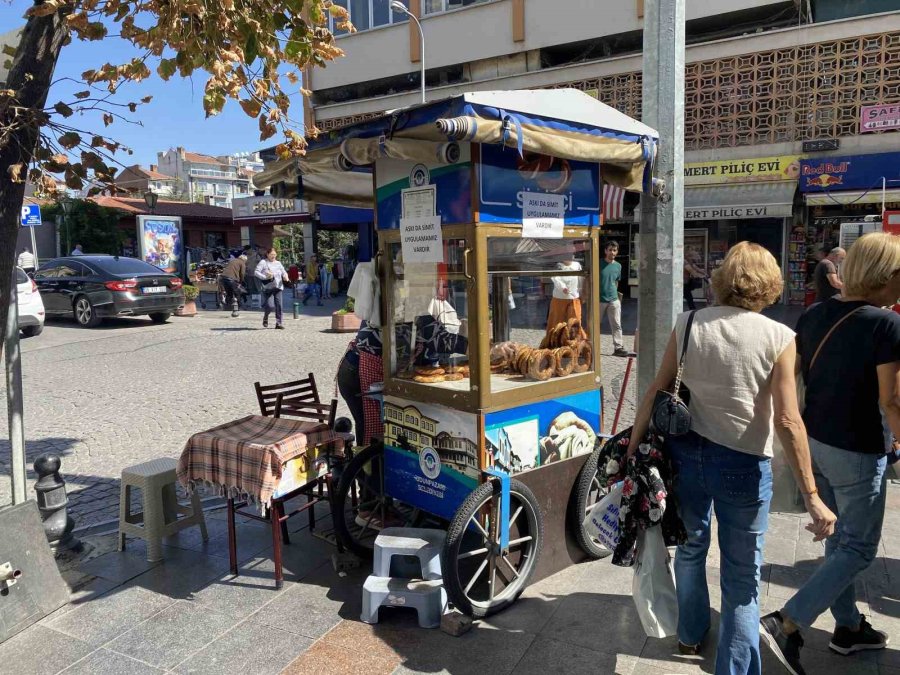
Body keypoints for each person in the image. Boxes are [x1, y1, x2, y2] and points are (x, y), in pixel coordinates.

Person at [628, 242, 835, 675]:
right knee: (742, 579)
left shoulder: (688, 323)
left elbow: (657, 389)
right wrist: (811, 494)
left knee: (691, 547)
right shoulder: (779, 337)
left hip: (686, 455)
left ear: (723, 280)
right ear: (770, 283)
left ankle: (690, 633)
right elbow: (788, 420)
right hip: (744, 463)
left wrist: (632, 446)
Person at [761, 232, 900, 675]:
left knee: (839, 540)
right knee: (859, 547)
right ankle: (787, 622)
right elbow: (891, 400)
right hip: (858, 448)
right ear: (885, 275)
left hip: (815, 441)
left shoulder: (815, 313)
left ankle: (848, 626)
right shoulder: (886, 324)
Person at [599, 241, 634, 357]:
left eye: (614, 250)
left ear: (617, 252)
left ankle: (618, 347)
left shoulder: (618, 266)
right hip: (599, 299)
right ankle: (589, 346)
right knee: (594, 324)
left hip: (613, 299)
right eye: (610, 250)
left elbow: (616, 282)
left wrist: (617, 298)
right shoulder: (598, 263)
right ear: (605, 251)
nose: (612, 252)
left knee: (617, 325)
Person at [546, 244, 587, 339]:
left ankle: (575, 341)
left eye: (571, 253)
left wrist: (582, 293)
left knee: (574, 321)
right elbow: (555, 278)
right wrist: (563, 287)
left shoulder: (577, 265)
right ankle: (554, 341)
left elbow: (580, 279)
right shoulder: (558, 266)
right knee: (557, 322)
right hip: (559, 298)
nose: (569, 256)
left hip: (574, 298)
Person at [255, 247, 290, 329]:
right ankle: (265, 317)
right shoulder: (263, 262)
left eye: (274, 254)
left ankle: (279, 323)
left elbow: (283, 271)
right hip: (268, 287)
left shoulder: (278, 263)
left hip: (278, 286)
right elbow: (256, 272)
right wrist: (264, 277)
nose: (273, 256)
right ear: (267, 254)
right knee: (270, 306)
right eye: (271, 254)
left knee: (279, 305)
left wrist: (286, 276)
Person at [219, 252, 246, 318]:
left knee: (229, 293)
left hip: (223, 278)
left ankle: (228, 307)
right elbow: (242, 273)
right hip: (231, 279)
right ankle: (238, 308)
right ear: (244, 260)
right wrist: (241, 281)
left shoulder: (232, 260)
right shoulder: (242, 262)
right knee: (237, 293)